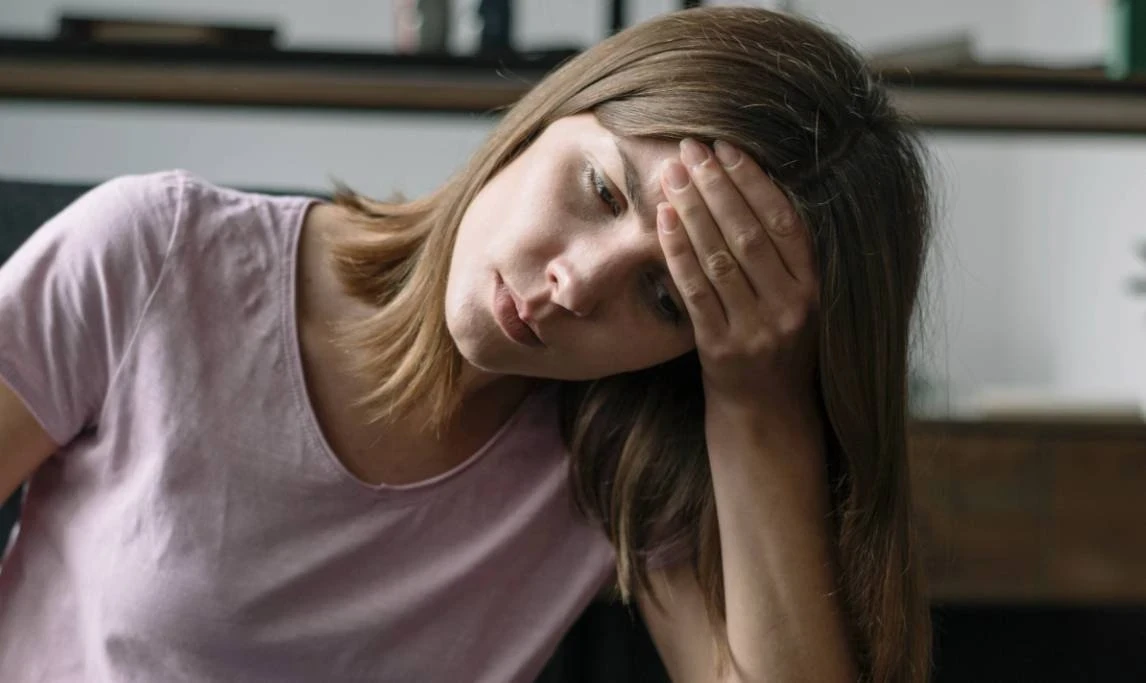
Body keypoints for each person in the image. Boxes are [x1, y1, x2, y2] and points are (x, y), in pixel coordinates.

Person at [0, 6, 933, 682]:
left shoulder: (621, 449)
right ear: (558, 108)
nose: (574, 284)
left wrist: (758, 402)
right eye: (602, 191)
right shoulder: (155, 257)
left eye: (667, 296)